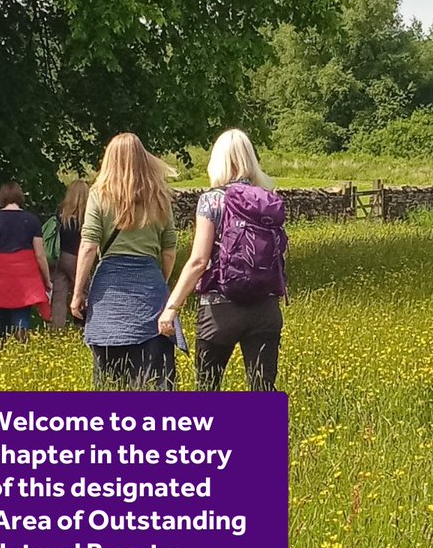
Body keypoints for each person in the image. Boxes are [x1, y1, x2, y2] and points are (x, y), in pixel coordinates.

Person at [158, 129, 284, 392]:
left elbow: (198, 260)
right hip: (265, 308)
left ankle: (215, 435)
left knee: (208, 391)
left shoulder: (211, 200)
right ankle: (262, 434)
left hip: (219, 310)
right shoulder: (269, 200)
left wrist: (172, 306)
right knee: (263, 391)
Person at [71, 133, 179, 390]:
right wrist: (160, 282)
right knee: (155, 382)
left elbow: (88, 246)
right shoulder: (159, 195)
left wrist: (77, 294)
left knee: (109, 382)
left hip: (109, 295)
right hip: (150, 289)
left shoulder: (99, 194)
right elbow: (169, 249)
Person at [0, 181, 52, 343]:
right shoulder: (32, 220)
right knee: (23, 308)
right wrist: (46, 278)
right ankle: (21, 342)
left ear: (1, 197)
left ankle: (2, 343)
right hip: (26, 273)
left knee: (2, 309)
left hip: (0, 273)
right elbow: (40, 254)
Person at [50, 179, 90, 329]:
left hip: (60, 257)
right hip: (77, 259)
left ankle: (57, 329)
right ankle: (83, 324)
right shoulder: (87, 217)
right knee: (84, 290)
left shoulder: (61, 213)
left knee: (59, 295)